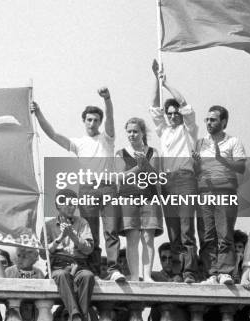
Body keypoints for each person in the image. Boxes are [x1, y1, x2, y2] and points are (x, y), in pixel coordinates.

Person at [32, 88, 126, 282]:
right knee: (90, 231)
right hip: (87, 189)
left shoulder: (107, 139)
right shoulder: (78, 143)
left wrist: (107, 99)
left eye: (96, 120)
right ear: (84, 121)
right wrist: (39, 112)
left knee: (111, 230)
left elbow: (110, 116)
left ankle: (113, 269)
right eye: (89, 120)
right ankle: (95, 269)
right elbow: (53, 134)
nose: (92, 123)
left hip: (107, 186)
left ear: (100, 122)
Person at [150, 60, 199, 283]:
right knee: (174, 231)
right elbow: (153, 108)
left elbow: (185, 104)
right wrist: (155, 80)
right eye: (168, 113)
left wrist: (166, 83)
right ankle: (178, 272)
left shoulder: (188, 129)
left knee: (188, 229)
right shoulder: (164, 131)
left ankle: (190, 272)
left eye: (174, 113)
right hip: (167, 181)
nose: (171, 116)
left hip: (185, 179)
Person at [193, 105, 246, 285]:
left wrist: (221, 159)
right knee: (207, 236)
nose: (208, 122)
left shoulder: (233, 142)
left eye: (213, 119)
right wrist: (196, 163)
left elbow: (241, 167)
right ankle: (211, 273)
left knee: (224, 234)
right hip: (204, 192)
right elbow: (195, 170)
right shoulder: (200, 143)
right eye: (207, 119)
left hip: (225, 191)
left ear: (223, 122)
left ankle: (225, 272)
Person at [115, 117, 163, 282]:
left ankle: (147, 275)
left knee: (148, 238)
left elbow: (156, 176)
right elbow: (120, 178)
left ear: (143, 133)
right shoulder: (120, 153)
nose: (132, 134)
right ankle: (135, 276)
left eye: (135, 131)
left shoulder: (153, 152)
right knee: (132, 238)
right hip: (128, 199)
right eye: (129, 131)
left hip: (149, 198)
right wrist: (138, 166)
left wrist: (146, 164)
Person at [41, 189, 95, 321]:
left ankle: (78, 317)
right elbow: (43, 254)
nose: (72, 207)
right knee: (61, 275)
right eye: (67, 203)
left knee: (88, 276)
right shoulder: (48, 225)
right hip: (58, 267)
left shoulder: (82, 223)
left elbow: (89, 249)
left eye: (74, 204)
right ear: (58, 205)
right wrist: (60, 237)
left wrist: (73, 237)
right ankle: (77, 316)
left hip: (79, 265)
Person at [5, 247, 44, 321]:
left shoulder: (39, 272)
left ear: (34, 259)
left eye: (24, 256)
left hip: (34, 313)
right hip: (15, 312)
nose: (20, 259)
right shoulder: (9, 271)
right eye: (18, 255)